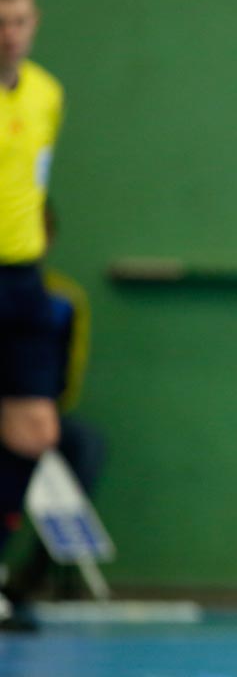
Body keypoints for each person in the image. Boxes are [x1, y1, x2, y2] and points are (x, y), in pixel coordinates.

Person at [1, 202, 107, 631]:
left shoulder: (61, 298)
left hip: (26, 408)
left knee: (81, 444)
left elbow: (66, 373)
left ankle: (30, 576)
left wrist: (34, 405)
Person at [0, 0, 65, 630]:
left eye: (18, 19)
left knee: (34, 428)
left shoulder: (47, 94)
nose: (8, 33)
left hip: (22, 278)